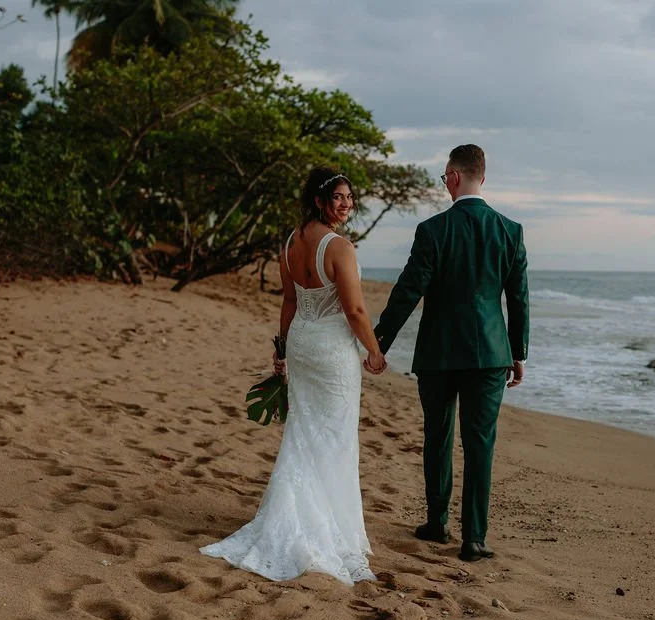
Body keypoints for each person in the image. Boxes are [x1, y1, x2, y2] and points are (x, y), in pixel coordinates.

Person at [200, 167, 386, 585]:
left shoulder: (289, 243)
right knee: (335, 437)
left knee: (304, 431)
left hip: (303, 341)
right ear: (320, 200)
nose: (347, 205)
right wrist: (373, 351)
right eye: (339, 197)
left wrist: (283, 346)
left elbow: (290, 300)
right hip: (332, 350)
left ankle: (295, 516)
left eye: (350, 198)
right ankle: (333, 535)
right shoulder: (340, 247)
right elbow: (355, 312)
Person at [374, 144, 529, 562]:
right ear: (483, 177)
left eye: (444, 178)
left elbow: (408, 291)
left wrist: (378, 343)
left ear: (455, 177)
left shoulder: (433, 231)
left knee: (438, 437)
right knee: (480, 444)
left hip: (439, 354)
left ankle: (437, 522)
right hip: (490, 356)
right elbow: (518, 300)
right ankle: (474, 538)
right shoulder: (510, 231)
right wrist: (520, 353)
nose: (445, 185)